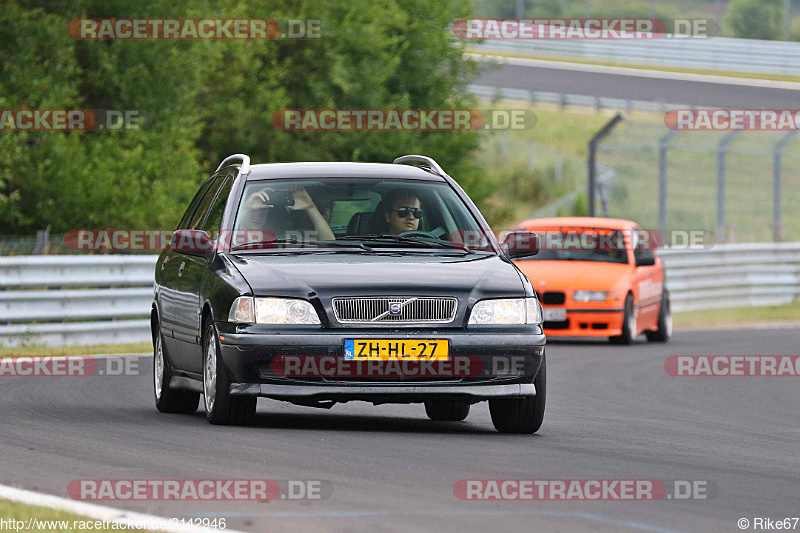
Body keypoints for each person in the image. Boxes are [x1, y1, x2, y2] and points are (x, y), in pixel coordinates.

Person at [237, 186, 335, 242]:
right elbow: (222, 244)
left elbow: (329, 243)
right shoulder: (232, 239)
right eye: (253, 210)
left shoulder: (287, 239)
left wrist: (311, 208)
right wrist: (244, 208)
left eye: (263, 210)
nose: (257, 216)